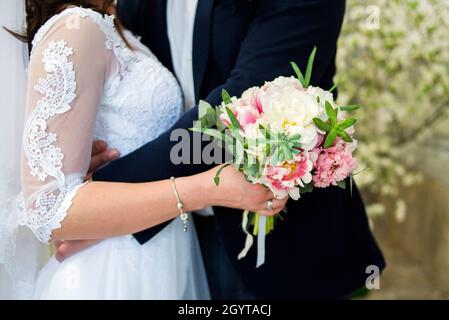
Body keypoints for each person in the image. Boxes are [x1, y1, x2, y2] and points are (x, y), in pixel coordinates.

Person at [60, 0, 386, 299]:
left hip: (289, 247)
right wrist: (94, 141)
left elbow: (235, 108)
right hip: (176, 242)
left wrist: (103, 198)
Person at [0, 1, 287, 299]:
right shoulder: (76, 29)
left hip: (160, 250)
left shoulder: (112, 21)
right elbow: (48, 209)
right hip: (108, 270)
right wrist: (206, 188)